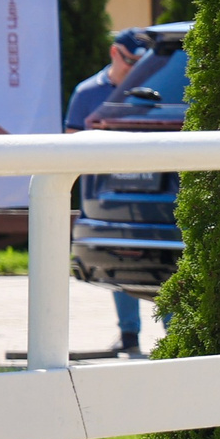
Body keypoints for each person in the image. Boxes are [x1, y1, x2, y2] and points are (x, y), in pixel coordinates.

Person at [65, 26, 152, 355]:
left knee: (163, 259)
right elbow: (71, 143)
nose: (137, 70)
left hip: (146, 190)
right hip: (106, 195)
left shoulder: (148, 90)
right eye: (132, 62)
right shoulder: (86, 92)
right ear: (115, 53)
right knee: (120, 260)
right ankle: (129, 336)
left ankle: (176, 332)